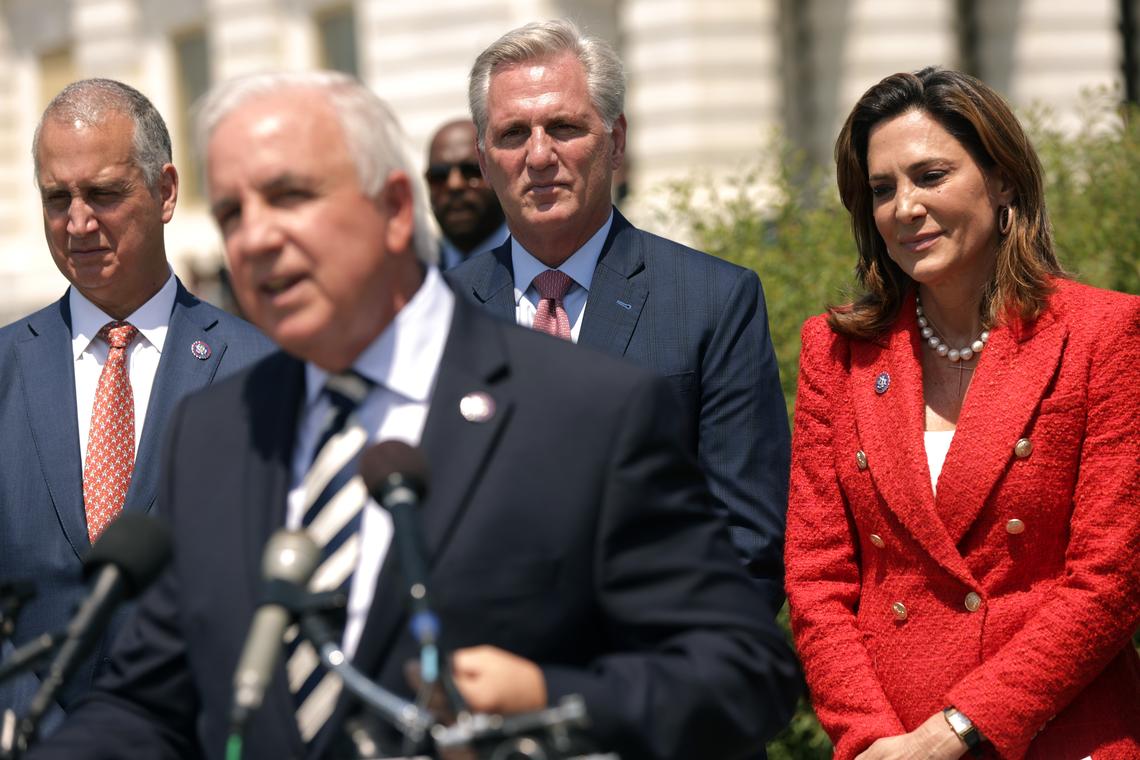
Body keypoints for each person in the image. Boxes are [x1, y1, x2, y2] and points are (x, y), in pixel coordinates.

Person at [28, 70, 800, 760]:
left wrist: (546, 703)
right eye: (231, 212)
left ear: (396, 208)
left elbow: (744, 672)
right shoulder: (218, 430)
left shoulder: (582, 411)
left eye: (291, 197)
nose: (256, 238)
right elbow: (148, 700)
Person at [784, 66, 1140, 760]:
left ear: (1002, 180)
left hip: (1059, 734)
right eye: (882, 190)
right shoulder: (836, 351)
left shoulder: (1103, 333)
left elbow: (1110, 581)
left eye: (930, 175)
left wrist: (956, 731)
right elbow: (817, 579)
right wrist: (871, 740)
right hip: (887, 739)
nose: (904, 207)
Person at [447, 20, 790, 610]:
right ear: (483, 160)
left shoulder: (712, 301)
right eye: (511, 134)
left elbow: (748, 540)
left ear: (616, 140)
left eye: (564, 127)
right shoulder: (438, 314)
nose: (538, 155)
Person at [0, 79, 271, 730]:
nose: (78, 222)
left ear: (166, 191)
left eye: (104, 193)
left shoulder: (261, 370)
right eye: (56, 198)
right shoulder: (6, 368)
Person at [425, 118, 508, 269]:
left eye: (471, 171)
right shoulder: (414, 276)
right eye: (439, 176)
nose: (454, 185)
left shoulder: (537, 263)